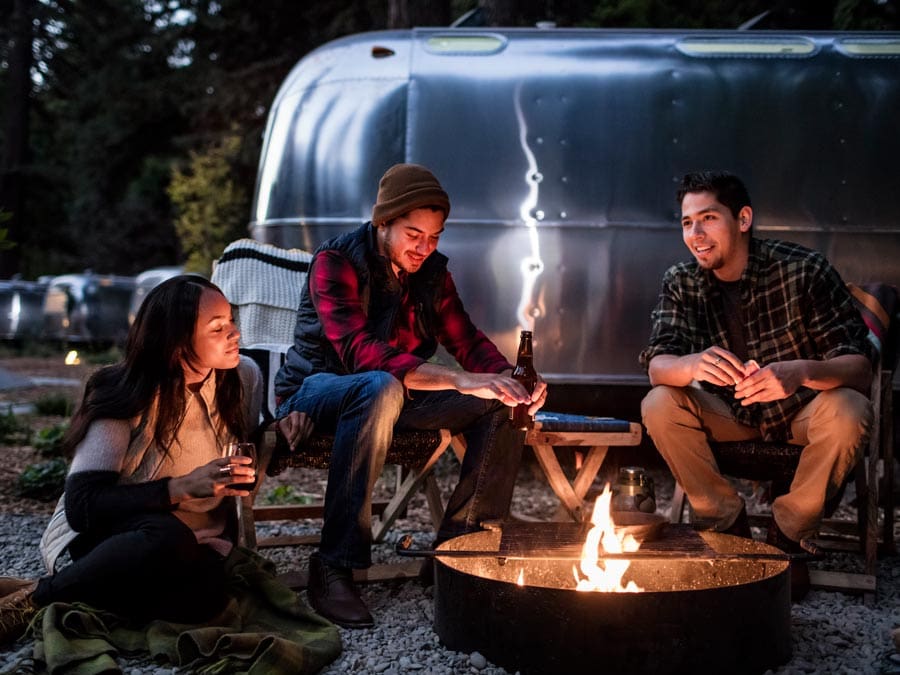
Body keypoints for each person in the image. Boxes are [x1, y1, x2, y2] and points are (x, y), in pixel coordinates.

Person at [274, 162, 548, 628]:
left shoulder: (432, 274)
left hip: (397, 396)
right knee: (379, 383)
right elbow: (360, 353)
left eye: (435, 237)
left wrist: (507, 378)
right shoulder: (336, 261)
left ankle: (459, 553)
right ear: (383, 222)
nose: (424, 248)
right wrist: (457, 379)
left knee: (503, 403)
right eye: (413, 234)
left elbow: (466, 340)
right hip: (319, 390)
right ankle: (334, 565)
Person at [0, 276, 314, 644]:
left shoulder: (242, 376)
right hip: (117, 533)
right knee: (166, 538)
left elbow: (242, 445)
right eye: (218, 327)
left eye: (231, 321)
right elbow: (83, 506)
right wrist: (181, 487)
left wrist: (280, 431)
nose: (234, 333)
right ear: (178, 344)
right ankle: (32, 600)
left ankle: (66, 586)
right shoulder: (125, 390)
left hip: (197, 542)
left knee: (209, 601)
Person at [639, 171, 874, 599]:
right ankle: (727, 525)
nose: (696, 234)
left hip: (802, 412)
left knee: (851, 409)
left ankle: (788, 536)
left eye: (708, 218)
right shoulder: (681, 280)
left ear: (743, 219)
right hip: (732, 414)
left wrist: (799, 372)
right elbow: (658, 366)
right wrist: (691, 363)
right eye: (687, 223)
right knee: (659, 401)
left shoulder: (803, 270)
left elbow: (860, 368)